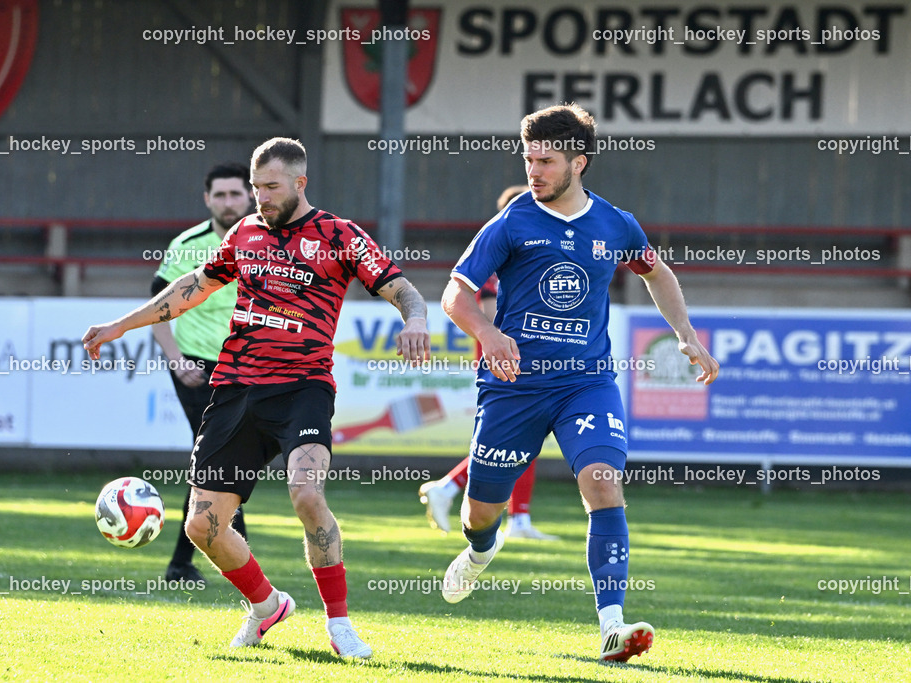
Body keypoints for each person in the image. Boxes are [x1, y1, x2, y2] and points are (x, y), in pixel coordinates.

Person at [82, 138, 430, 660]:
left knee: (307, 495)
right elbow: (192, 287)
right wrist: (119, 325)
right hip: (237, 387)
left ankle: (340, 624)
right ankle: (267, 605)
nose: (260, 197)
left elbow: (400, 287)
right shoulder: (245, 233)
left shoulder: (339, 235)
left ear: (299, 183)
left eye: (270, 187)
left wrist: (416, 320)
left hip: (302, 388)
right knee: (202, 526)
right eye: (255, 187)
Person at [439, 104, 719, 663]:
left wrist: (685, 333)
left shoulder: (616, 224)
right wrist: (488, 333)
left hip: (585, 383)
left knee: (603, 482)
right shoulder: (512, 221)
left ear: (579, 162)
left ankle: (612, 626)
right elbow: (455, 294)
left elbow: (657, 272)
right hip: (514, 387)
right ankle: (480, 549)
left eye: (545, 161)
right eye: (529, 159)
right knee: (480, 513)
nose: (534, 170)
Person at [418, 185, 558, 541]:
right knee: (518, 438)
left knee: (522, 438)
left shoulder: (511, 253)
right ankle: (500, 511)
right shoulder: (502, 258)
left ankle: (465, 495)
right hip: (509, 359)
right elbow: (493, 315)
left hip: (515, 358)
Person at [151, 163, 253, 585]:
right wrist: (176, 360)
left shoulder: (266, 241)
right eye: (220, 195)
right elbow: (158, 307)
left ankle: (185, 563)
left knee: (223, 465)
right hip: (197, 367)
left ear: (249, 196)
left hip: (247, 367)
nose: (228, 202)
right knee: (217, 460)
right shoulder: (188, 245)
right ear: (207, 199)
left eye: (235, 194)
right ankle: (232, 563)